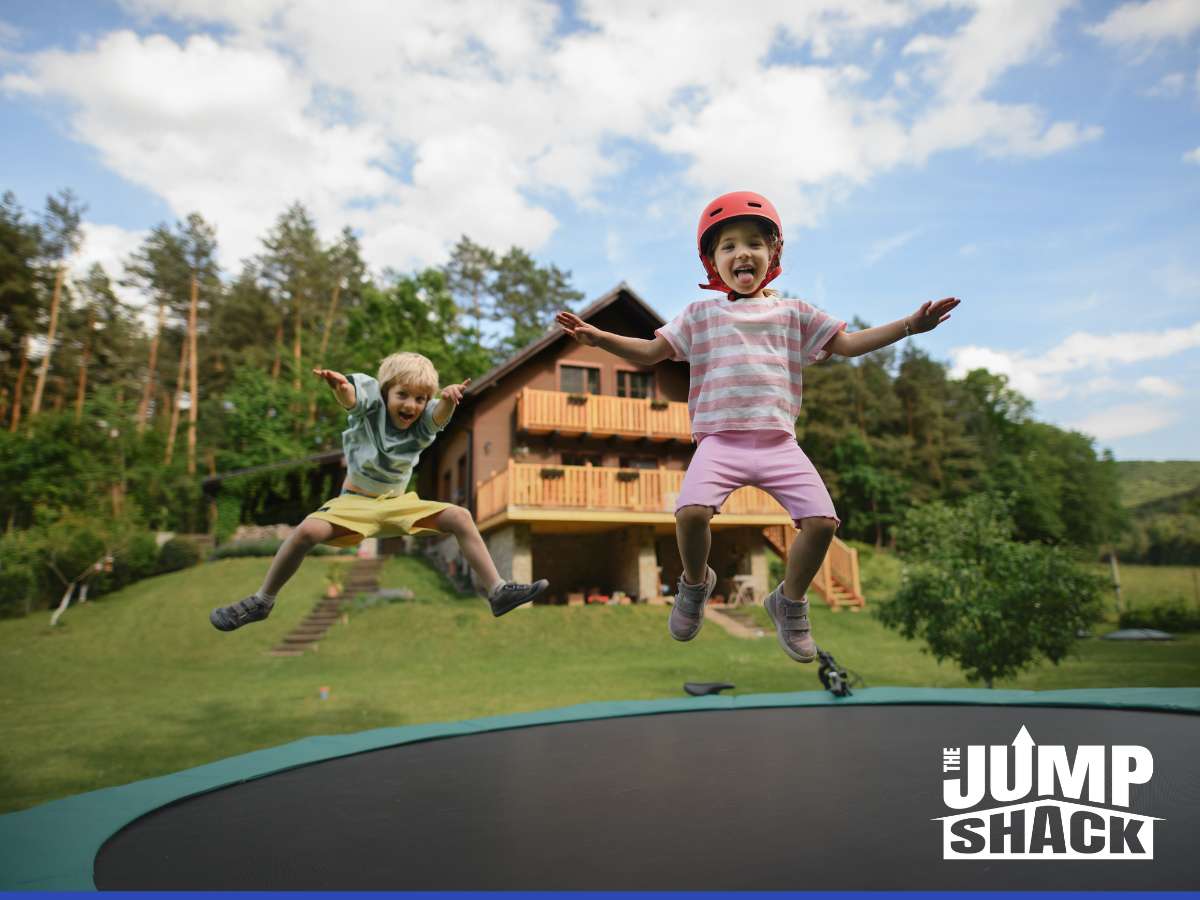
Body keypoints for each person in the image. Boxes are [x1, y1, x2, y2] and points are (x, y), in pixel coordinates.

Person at [556, 191, 958, 662]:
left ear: (773, 254)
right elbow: (649, 352)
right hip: (719, 441)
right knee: (689, 514)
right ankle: (693, 584)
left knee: (823, 523)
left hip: (778, 443)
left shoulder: (795, 313)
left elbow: (848, 345)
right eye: (727, 246)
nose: (741, 253)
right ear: (713, 262)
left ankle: (788, 601)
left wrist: (909, 325)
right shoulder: (700, 315)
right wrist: (599, 339)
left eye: (753, 243)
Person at [209, 352, 548, 631]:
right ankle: (262, 601)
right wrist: (341, 386)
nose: (411, 406)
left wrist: (448, 399)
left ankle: (498, 590)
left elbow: (440, 415)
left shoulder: (424, 423)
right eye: (403, 395)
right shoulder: (369, 410)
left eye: (420, 399)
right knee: (307, 531)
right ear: (386, 392)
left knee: (460, 516)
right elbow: (352, 400)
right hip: (354, 504)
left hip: (397, 504)